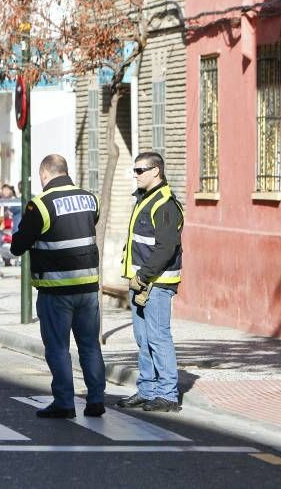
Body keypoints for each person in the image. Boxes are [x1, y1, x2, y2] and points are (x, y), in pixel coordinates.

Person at [10, 154, 105, 419]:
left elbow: (18, 245)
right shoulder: (90, 198)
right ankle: (96, 400)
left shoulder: (41, 204)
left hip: (56, 288)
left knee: (58, 347)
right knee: (89, 345)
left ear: (44, 175)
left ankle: (64, 402)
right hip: (87, 286)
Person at [116, 152, 184, 413]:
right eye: (134, 170)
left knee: (158, 337)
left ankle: (167, 394)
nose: (135, 175)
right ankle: (147, 390)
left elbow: (166, 247)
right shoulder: (145, 199)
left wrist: (143, 277)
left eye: (140, 170)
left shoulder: (165, 204)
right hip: (141, 281)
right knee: (143, 338)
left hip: (156, 283)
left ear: (156, 171)